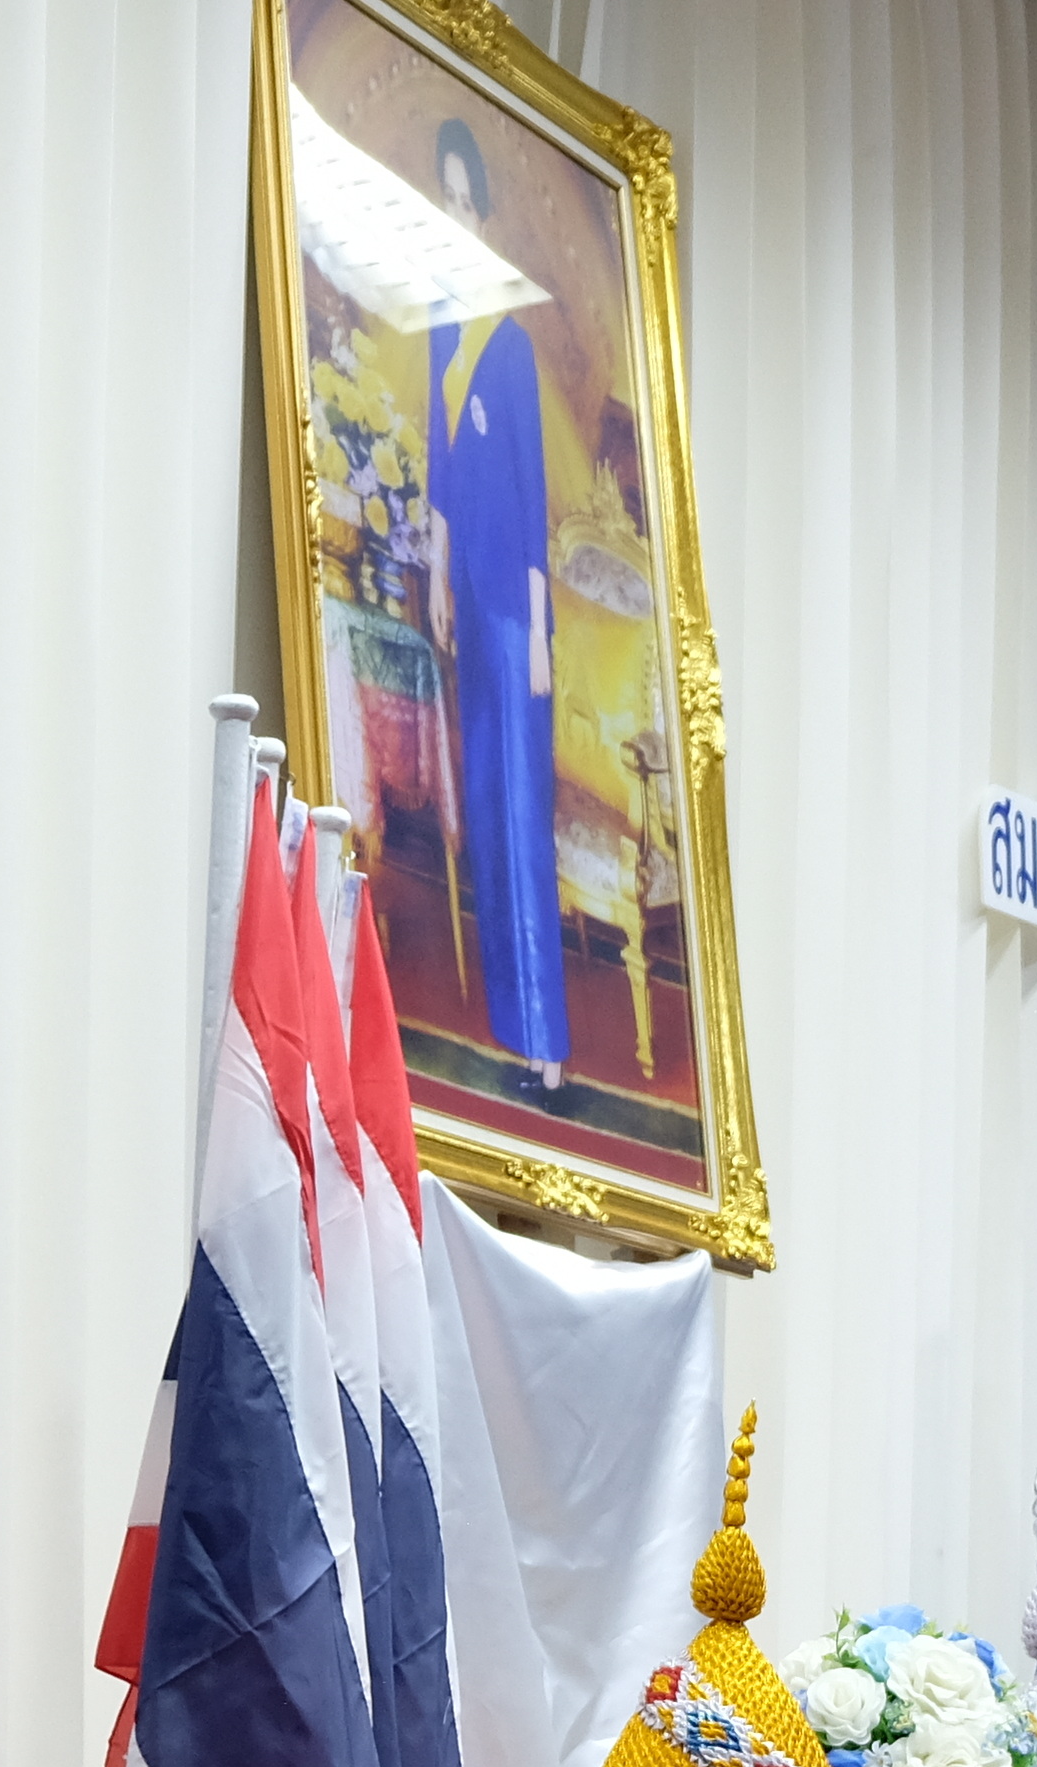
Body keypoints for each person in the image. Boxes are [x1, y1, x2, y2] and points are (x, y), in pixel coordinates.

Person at [423, 117, 574, 1077]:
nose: (451, 209)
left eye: (462, 197)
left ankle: (550, 1052)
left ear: (482, 212)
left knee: (523, 822)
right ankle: (513, 1036)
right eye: (438, 195)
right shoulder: (439, 332)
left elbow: (531, 497)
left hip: (517, 615)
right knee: (484, 809)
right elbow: (441, 469)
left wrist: (542, 633)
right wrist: (436, 576)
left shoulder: (510, 347)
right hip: (465, 598)